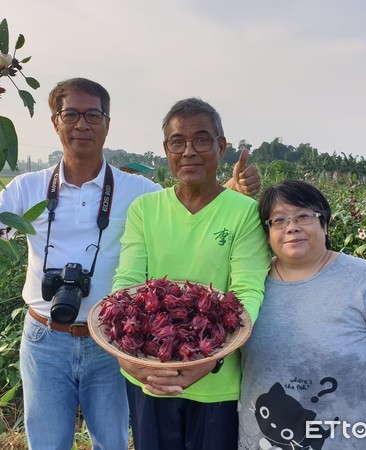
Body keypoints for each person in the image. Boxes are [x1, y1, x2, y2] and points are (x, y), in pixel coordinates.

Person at [0, 79, 262, 450]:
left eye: (93, 115)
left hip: (110, 341)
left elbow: (191, 199)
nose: (82, 125)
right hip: (44, 338)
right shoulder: (26, 189)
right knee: (46, 443)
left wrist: (234, 190)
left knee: (111, 442)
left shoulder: (137, 192)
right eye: (71, 115)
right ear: (55, 122)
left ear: (107, 123)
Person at [111, 97, 270, 450]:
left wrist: (207, 362)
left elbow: (247, 293)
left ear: (221, 146)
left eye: (201, 140)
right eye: (177, 142)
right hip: (149, 372)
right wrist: (131, 360)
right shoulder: (145, 209)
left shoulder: (244, 213)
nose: (189, 152)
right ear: (166, 149)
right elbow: (128, 284)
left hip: (218, 383)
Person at [238, 180, 366, 450]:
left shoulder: (363, 280)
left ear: (324, 224)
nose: (292, 227)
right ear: (267, 233)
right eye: (278, 220)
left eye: (304, 216)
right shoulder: (251, 285)